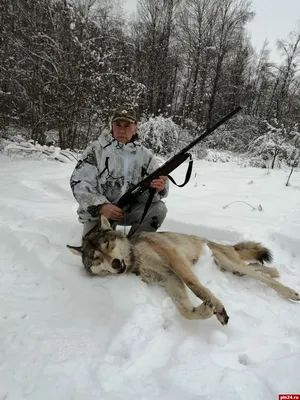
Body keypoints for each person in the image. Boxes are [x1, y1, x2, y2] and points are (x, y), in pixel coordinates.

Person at [70, 105, 169, 237]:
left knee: (158, 209)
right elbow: (79, 183)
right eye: (118, 124)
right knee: (97, 254)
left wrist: (157, 189)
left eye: (127, 125)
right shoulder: (95, 150)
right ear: (112, 126)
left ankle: (136, 245)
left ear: (135, 128)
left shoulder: (145, 156)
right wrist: (101, 206)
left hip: (128, 211)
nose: (122, 130)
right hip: (99, 215)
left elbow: (155, 192)